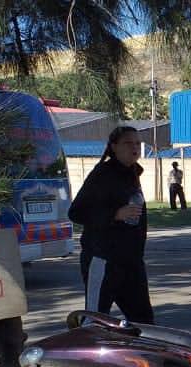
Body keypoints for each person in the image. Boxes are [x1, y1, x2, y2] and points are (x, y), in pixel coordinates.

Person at [68, 126, 155, 324]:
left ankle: (142, 355)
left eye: (137, 143)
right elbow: (76, 212)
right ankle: (86, 354)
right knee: (95, 321)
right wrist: (114, 214)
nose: (134, 148)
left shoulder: (132, 173)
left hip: (131, 262)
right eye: (128, 143)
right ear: (114, 147)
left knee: (143, 321)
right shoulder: (102, 175)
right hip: (103, 260)